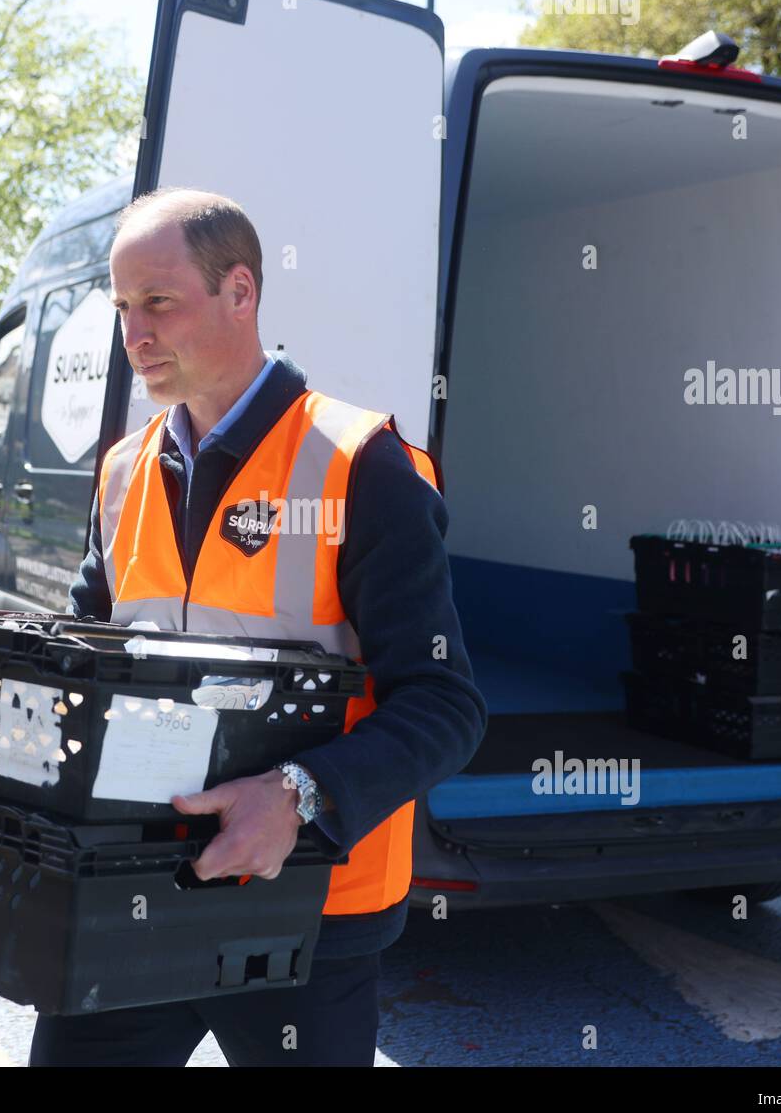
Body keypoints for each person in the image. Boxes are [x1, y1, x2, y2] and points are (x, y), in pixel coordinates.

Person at [28, 187, 487, 1067]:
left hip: (309, 914)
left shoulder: (362, 466)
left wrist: (297, 797)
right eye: (123, 308)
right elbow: (84, 663)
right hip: (138, 891)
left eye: (159, 302)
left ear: (241, 293)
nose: (136, 335)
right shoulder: (124, 471)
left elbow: (445, 708)